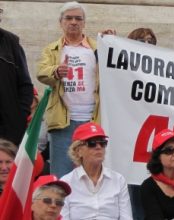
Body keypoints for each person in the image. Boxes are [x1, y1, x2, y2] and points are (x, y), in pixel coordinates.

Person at [36, 1, 101, 178]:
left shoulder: (98, 48)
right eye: (69, 18)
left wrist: (111, 44)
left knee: (91, 173)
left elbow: (117, 70)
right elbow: (41, 72)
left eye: (78, 18)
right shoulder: (52, 49)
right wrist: (55, 71)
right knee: (61, 175)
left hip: (92, 121)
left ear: (84, 23)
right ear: (61, 22)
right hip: (62, 122)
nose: (73, 22)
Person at [61, 122, 132, 219]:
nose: (98, 147)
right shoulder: (66, 182)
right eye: (92, 143)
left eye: (103, 143)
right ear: (78, 151)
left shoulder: (119, 180)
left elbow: (126, 218)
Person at [0, 7, 34, 146]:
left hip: (9, 127)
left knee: (7, 166)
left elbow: (25, 85)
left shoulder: (11, 41)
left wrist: (19, 116)